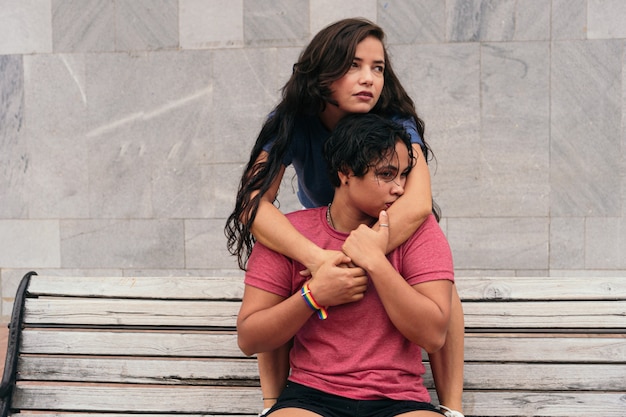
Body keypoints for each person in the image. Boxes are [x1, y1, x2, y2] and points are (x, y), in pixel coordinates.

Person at [225, 18, 464, 417]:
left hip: (387, 221)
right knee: (281, 269)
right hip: (324, 221)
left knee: (444, 292)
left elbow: (418, 200)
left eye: (378, 68)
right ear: (323, 73)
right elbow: (253, 203)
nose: (368, 78)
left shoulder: (394, 123)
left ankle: (452, 407)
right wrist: (316, 258)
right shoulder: (291, 120)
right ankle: (272, 403)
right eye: (354, 65)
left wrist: (367, 253)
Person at [237, 113, 454, 416]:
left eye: (404, 175)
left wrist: (376, 263)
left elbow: (433, 335)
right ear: (346, 172)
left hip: (399, 400)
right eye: (387, 174)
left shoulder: (420, 231)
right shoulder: (289, 235)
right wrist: (312, 296)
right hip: (311, 398)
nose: (401, 188)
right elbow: (249, 338)